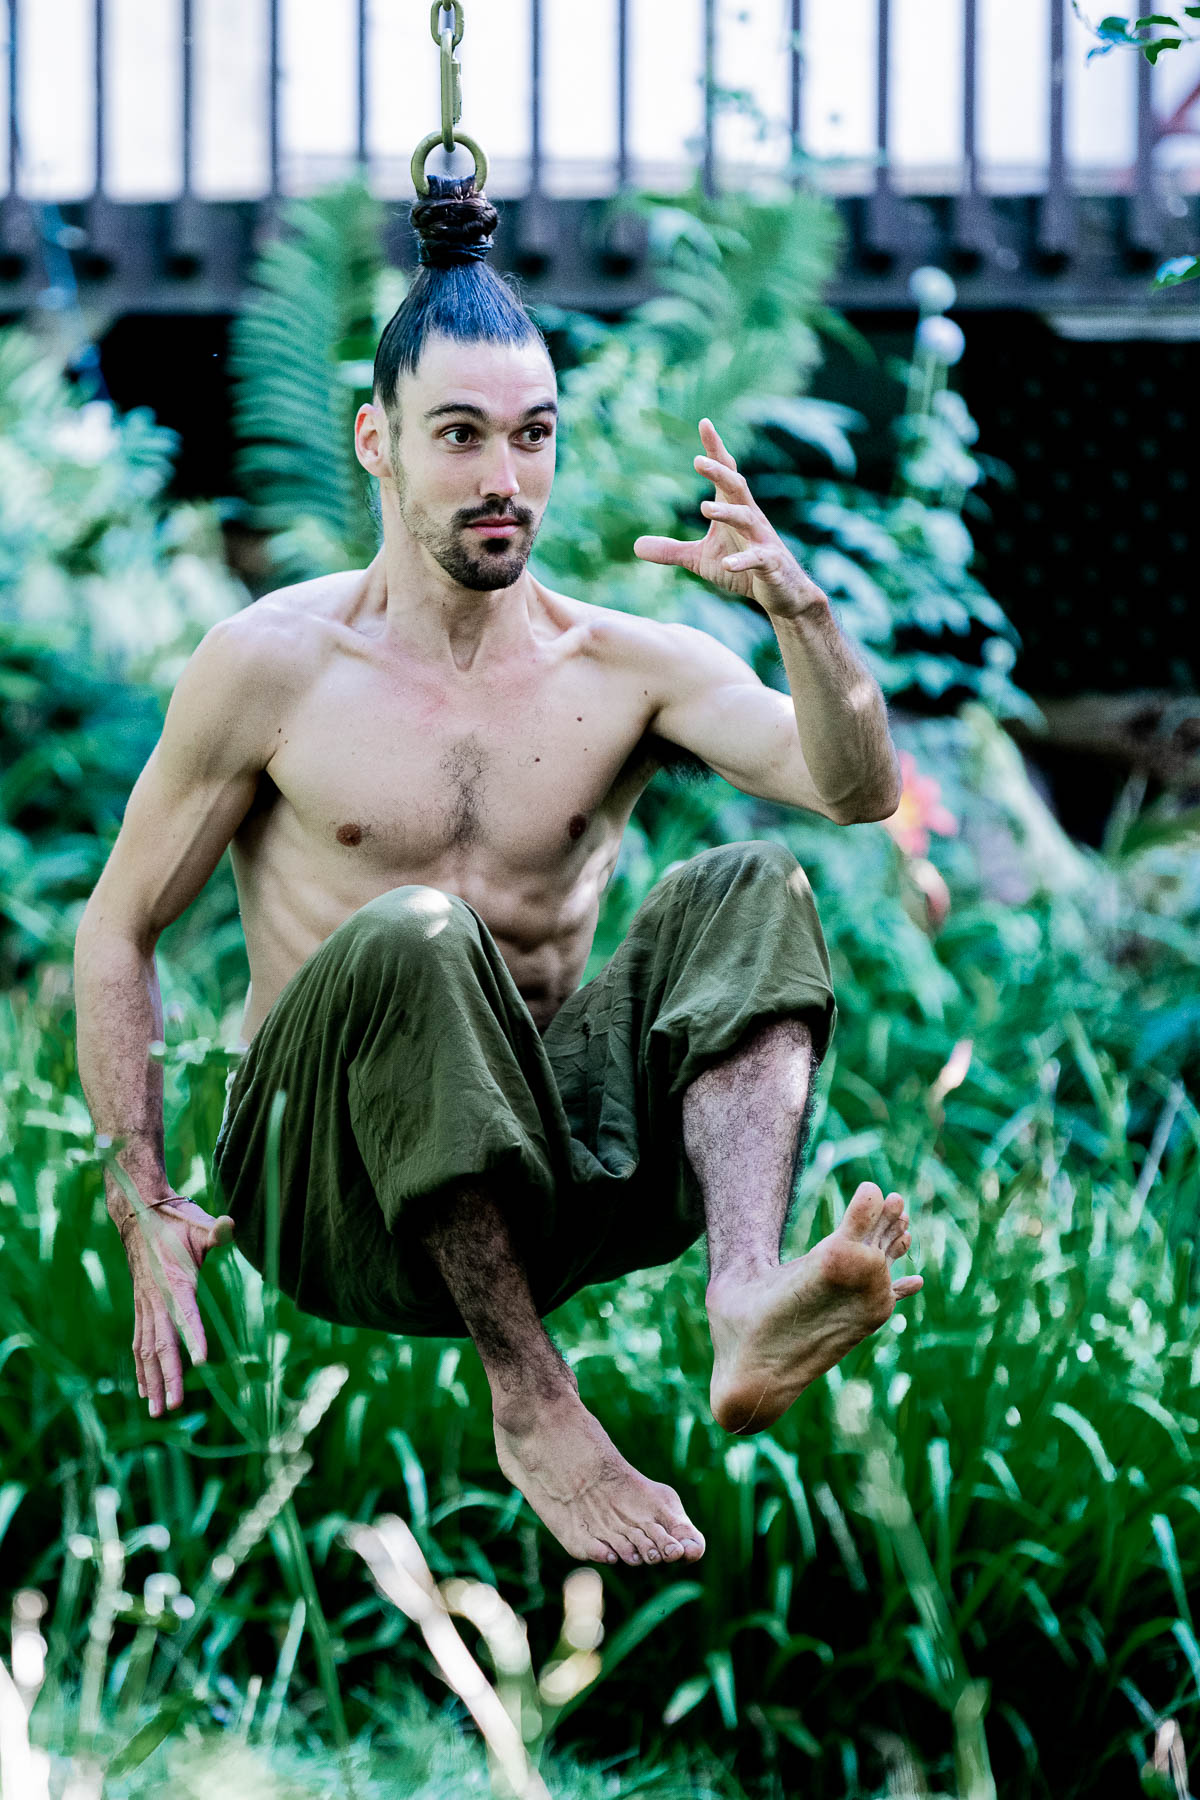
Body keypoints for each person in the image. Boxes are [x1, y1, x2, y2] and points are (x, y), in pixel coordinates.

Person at [73, 179, 921, 1572]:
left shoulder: (625, 667)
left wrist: (804, 613)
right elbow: (117, 928)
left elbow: (856, 791)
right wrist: (138, 1192)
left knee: (756, 880)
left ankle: (746, 1297)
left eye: (533, 436)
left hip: (549, 1181)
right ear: (379, 443)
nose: (503, 478)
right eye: (460, 434)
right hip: (325, 1189)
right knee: (418, 931)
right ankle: (531, 1395)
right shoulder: (273, 666)